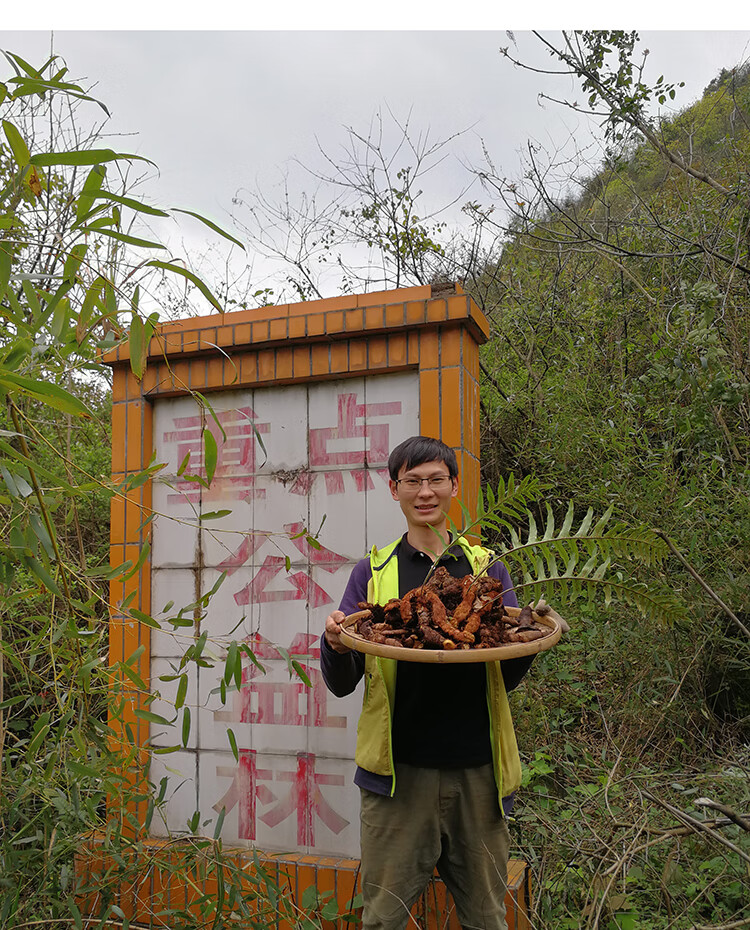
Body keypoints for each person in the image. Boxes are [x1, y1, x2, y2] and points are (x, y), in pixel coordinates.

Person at [320, 435, 536, 930]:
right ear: (394, 489)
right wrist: (334, 644)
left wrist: (528, 633)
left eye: (436, 479)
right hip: (397, 778)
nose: (425, 492)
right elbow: (341, 681)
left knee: (487, 918)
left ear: (454, 486)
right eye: (412, 481)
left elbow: (507, 668)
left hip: (477, 773)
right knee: (382, 921)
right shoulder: (373, 574)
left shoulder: (487, 569)